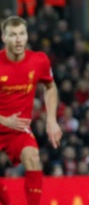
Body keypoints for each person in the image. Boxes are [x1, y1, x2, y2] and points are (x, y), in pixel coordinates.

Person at [0, 16, 63, 205]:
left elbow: (50, 87)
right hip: (3, 122)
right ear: (4, 38)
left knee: (34, 159)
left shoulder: (39, 60)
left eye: (22, 34)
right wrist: (4, 120)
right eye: (13, 35)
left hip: (18, 130)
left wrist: (51, 120)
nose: (18, 39)